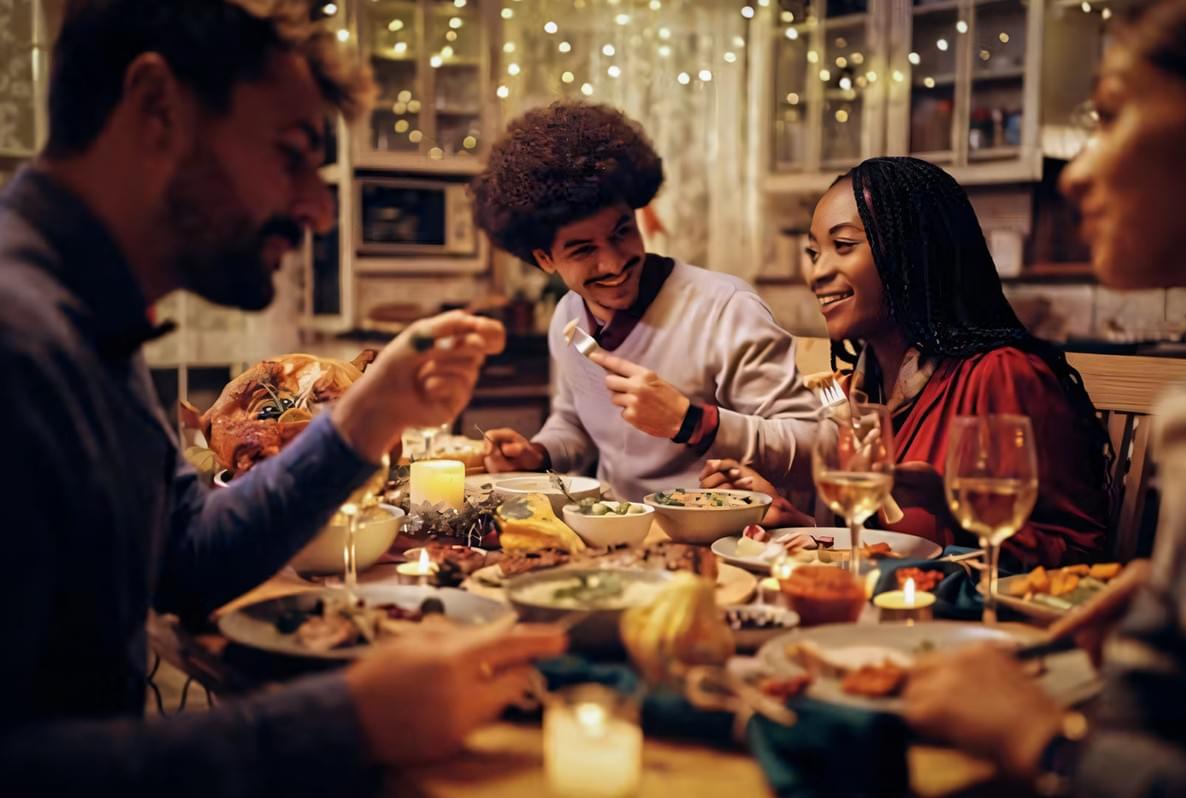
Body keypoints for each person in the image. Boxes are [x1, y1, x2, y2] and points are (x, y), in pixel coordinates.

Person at [0, 2, 563, 794]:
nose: (318, 207)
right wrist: (347, 722)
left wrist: (367, 418)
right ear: (156, 106)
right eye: (293, 155)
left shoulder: (90, 325)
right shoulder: (19, 344)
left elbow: (187, 560)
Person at [903, 0, 1186, 793]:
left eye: (1110, 115)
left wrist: (1046, 742)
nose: (1074, 172)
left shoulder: (1004, 373)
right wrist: (1167, 589)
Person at [701, 157, 1110, 567]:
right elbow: (881, 550)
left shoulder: (1001, 375)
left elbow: (1082, 554)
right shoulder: (852, 393)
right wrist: (797, 524)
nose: (817, 273)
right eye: (814, 251)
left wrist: (953, 507)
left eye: (843, 246)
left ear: (912, 252)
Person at [471, 101, 818, 502]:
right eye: (583, 250)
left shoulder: (726, 308)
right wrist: (538, 453)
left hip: (718, 537)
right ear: (545, 260)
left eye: (621, 232)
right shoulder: (567, 317)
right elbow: (575, 423)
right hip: (612, 531)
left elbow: (815, 444)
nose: (614, 262)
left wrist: (691, 422)